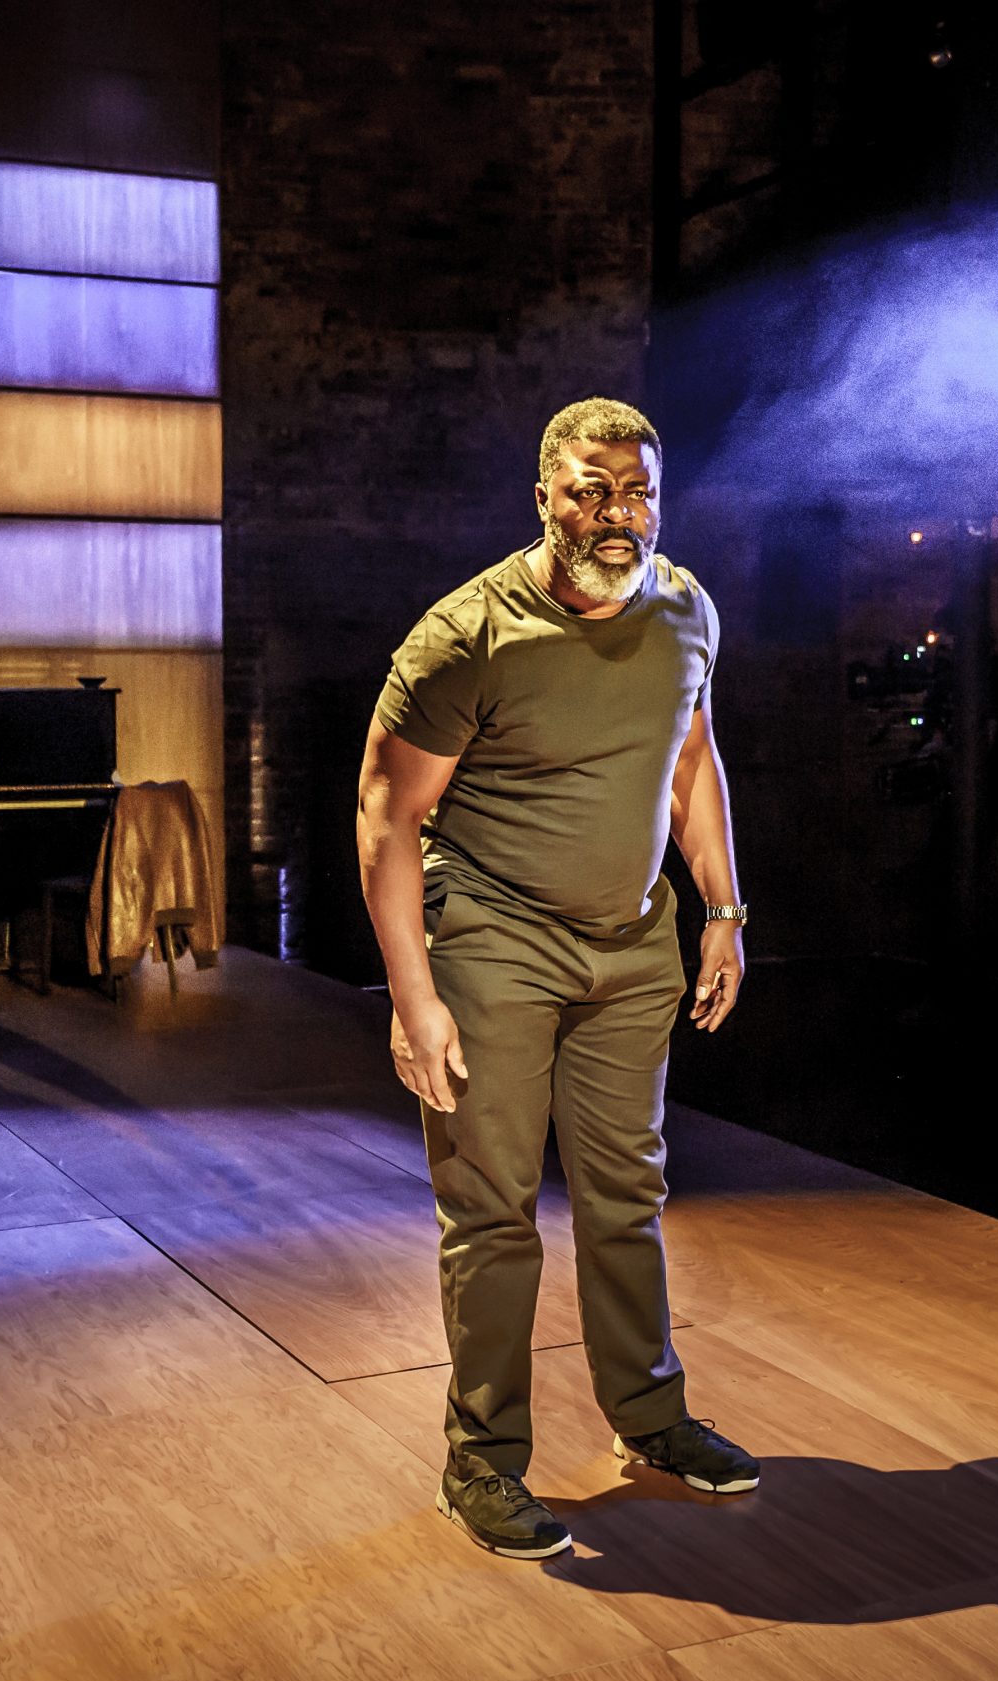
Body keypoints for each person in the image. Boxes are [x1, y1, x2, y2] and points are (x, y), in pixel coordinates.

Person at [356, 398, 758, 1560]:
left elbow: (692, 756)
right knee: (491, 1209)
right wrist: (413, 997)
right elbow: (388, 818)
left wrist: (722, 911)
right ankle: (479, 1461)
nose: (613, 514)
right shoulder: (466, 635)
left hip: (634, 943)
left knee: (628, 1193)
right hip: (491, 933)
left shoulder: (686, 612)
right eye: (589, 489)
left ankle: (650, 1417)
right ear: (543, 494)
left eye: (634, 491)